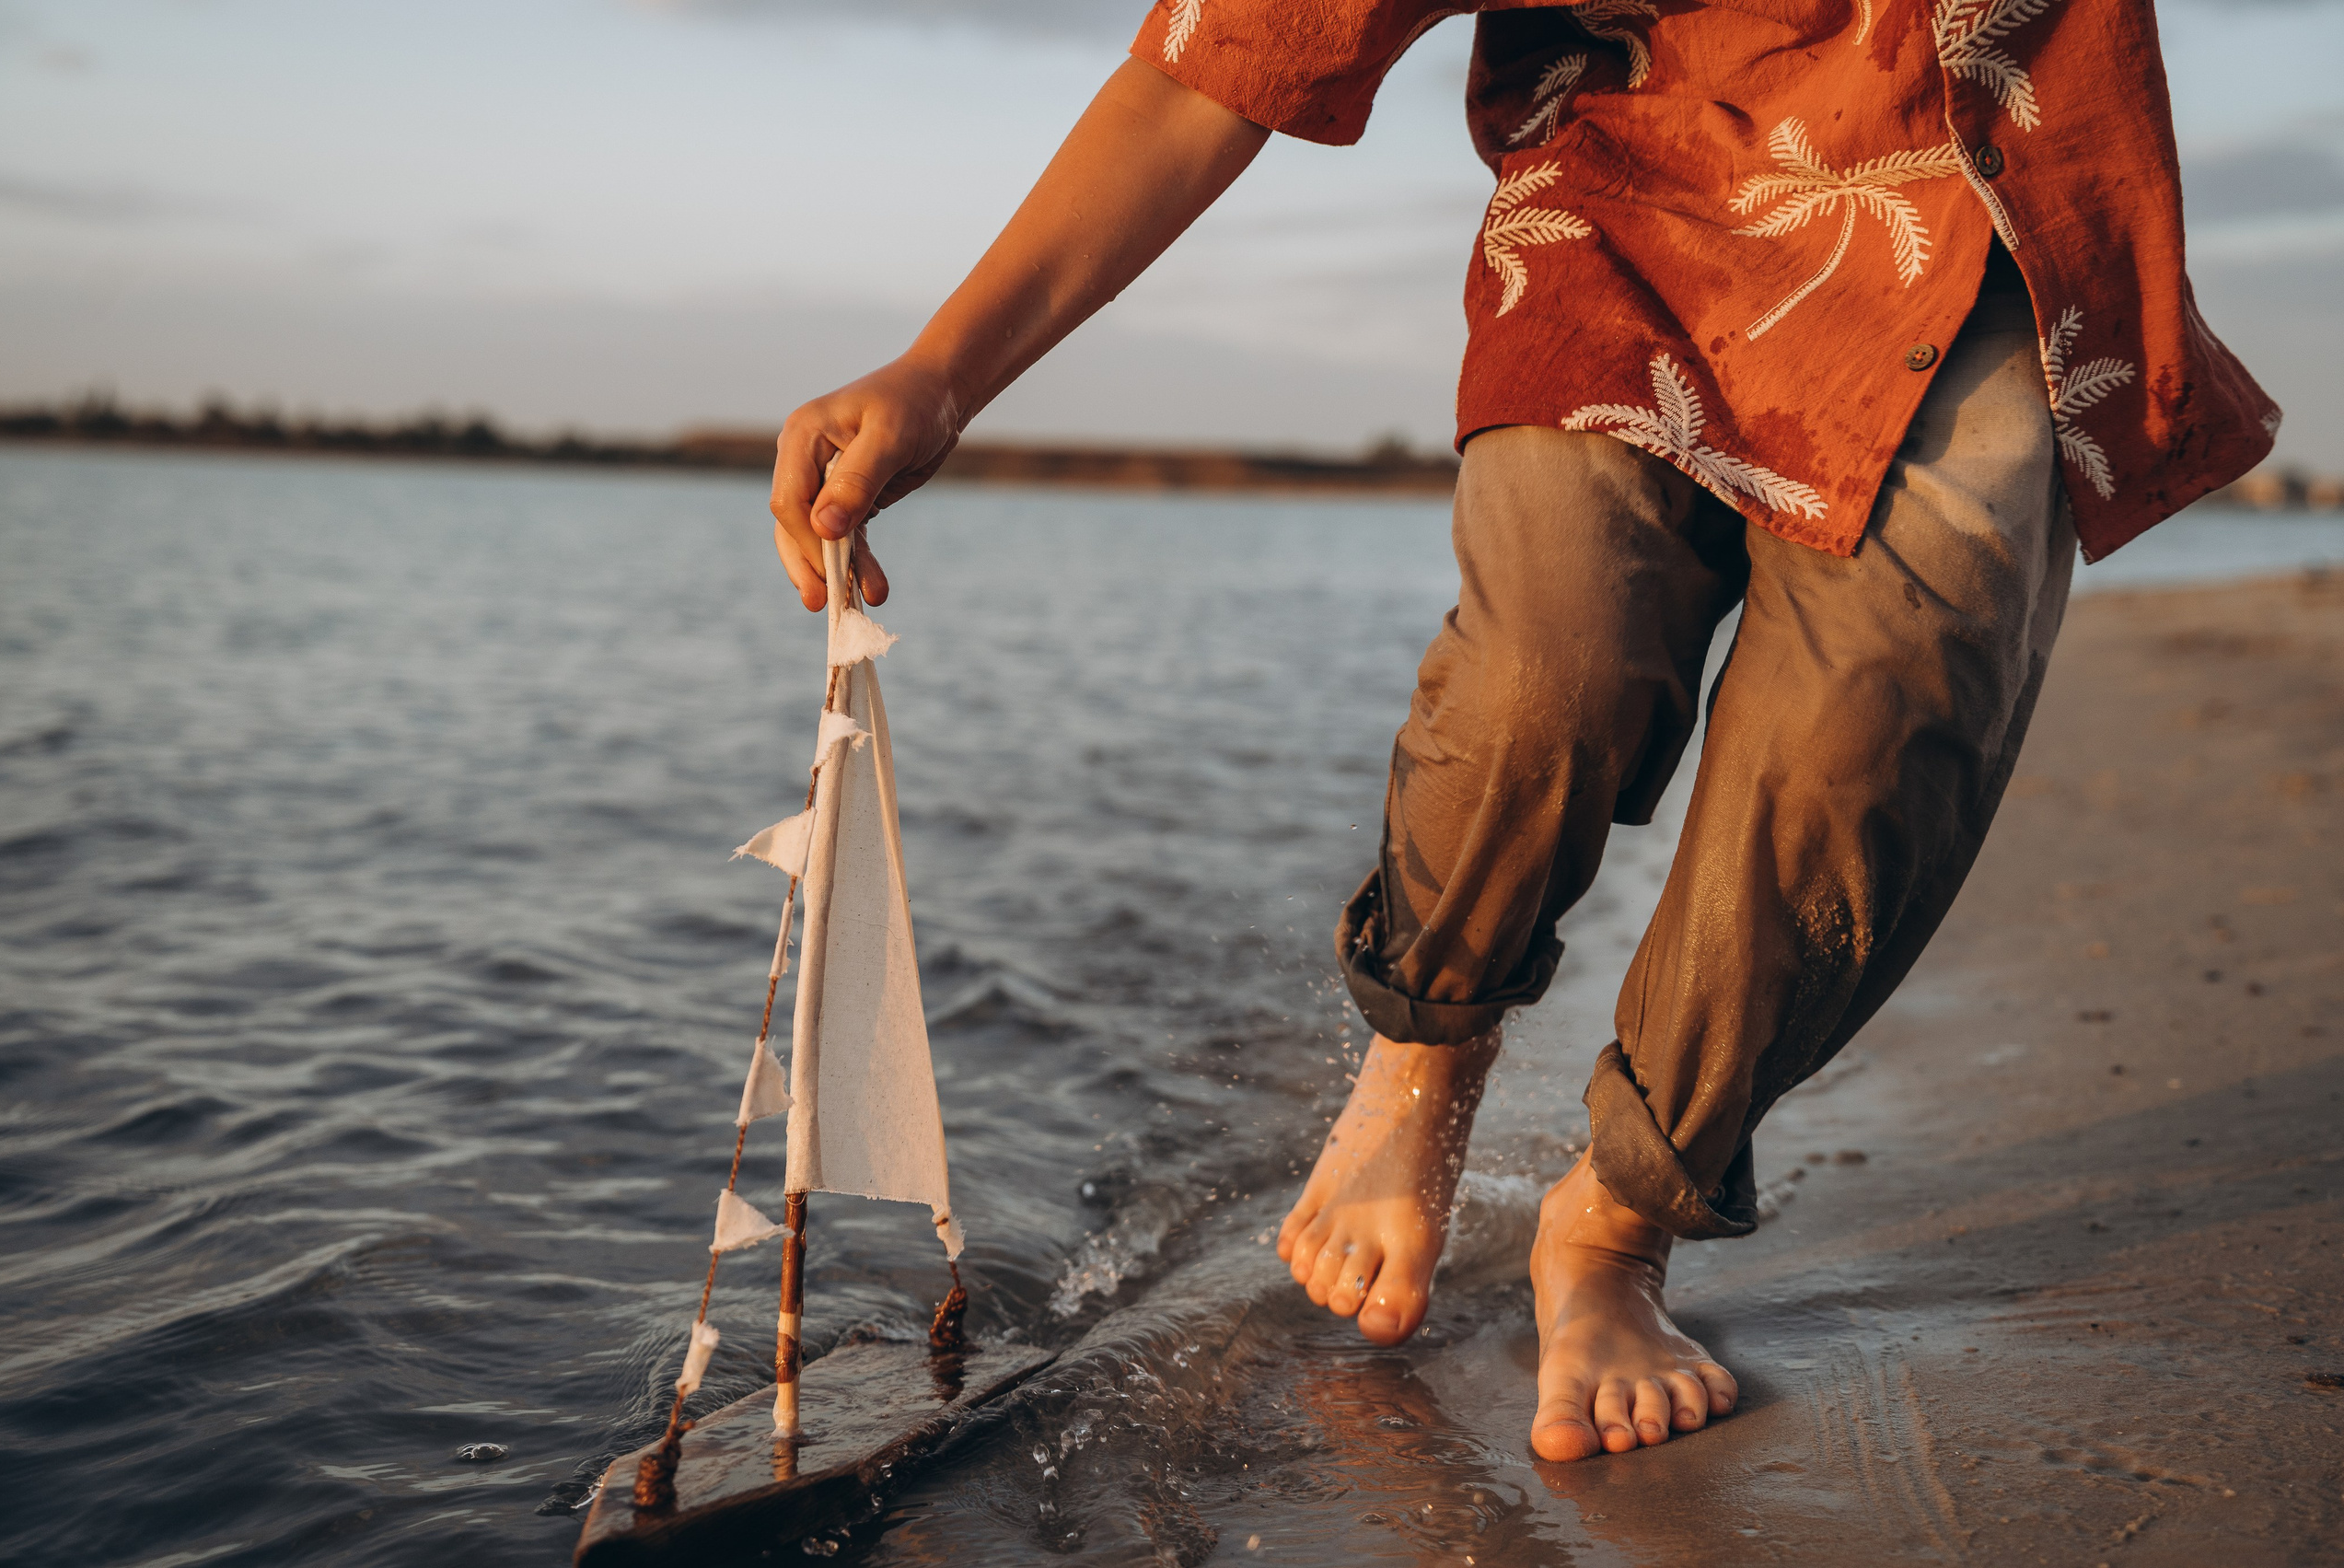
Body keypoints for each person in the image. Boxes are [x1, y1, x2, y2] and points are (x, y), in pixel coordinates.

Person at [766, 0, 2277, 1463]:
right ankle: (1425, 1055)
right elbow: (1202, 70)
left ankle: (1617, 1224)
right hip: (1624, 178)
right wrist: (938, 375)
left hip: (1972, 189)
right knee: (1554, 652)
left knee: (1880, 722)